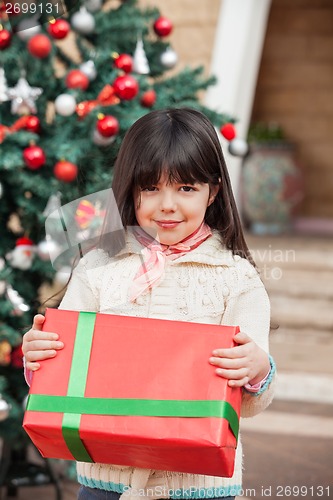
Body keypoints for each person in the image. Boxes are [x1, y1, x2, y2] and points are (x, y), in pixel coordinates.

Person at [22, 108, 276, 500]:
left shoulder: (236, 279)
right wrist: (38, 358)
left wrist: (258, 371)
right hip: (105, 481)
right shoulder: (98, 268)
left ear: (214, 191)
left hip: (202, 486)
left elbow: (249, 404)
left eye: (186, 188)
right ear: (131, 189)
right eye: (151, 188)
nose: (167, 205)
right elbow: (62, 372)